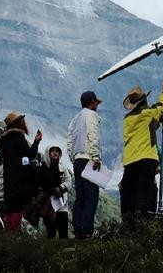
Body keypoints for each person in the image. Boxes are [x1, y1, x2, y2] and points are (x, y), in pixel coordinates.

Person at [119, 79, 163, 223]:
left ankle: (128, 221)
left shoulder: (127, 119)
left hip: (130, 159)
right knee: (144, 192)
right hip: (147, 158)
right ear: (144, 100)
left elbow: (145, 129)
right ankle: (144, 221)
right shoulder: (148, 114)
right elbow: (161, 106)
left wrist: (156, 122)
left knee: (129, 192)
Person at [0, 112, 42, 231]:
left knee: (10, 208)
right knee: (17, 208)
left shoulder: (4, 140)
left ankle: (7, 233)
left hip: (9, 177)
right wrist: (36, 142)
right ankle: (13, 234)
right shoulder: (18, 137)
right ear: (19, 123)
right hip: (19, 179)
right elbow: (29, 154)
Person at [66, 90, 103, 240]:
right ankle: (88, 230)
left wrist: (73, 158)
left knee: (80, 197)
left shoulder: (75, 119)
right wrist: (95, 157)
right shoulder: (91, 115)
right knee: (91, 196)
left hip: (78, 160)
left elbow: (69, 141)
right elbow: (93, 135)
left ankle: (78, 230)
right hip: (89, 158)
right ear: (92, 102)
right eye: (96, 102)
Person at [42, 146, 70, 239]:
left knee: (63, 233)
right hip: (49, 203)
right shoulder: (44, 167)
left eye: (57, 151)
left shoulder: (63, 168)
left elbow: (69, 181)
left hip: (62, 203)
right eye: (52, 151)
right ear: (48, 153)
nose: (55, 153)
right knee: (51, 232)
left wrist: (61, 187)